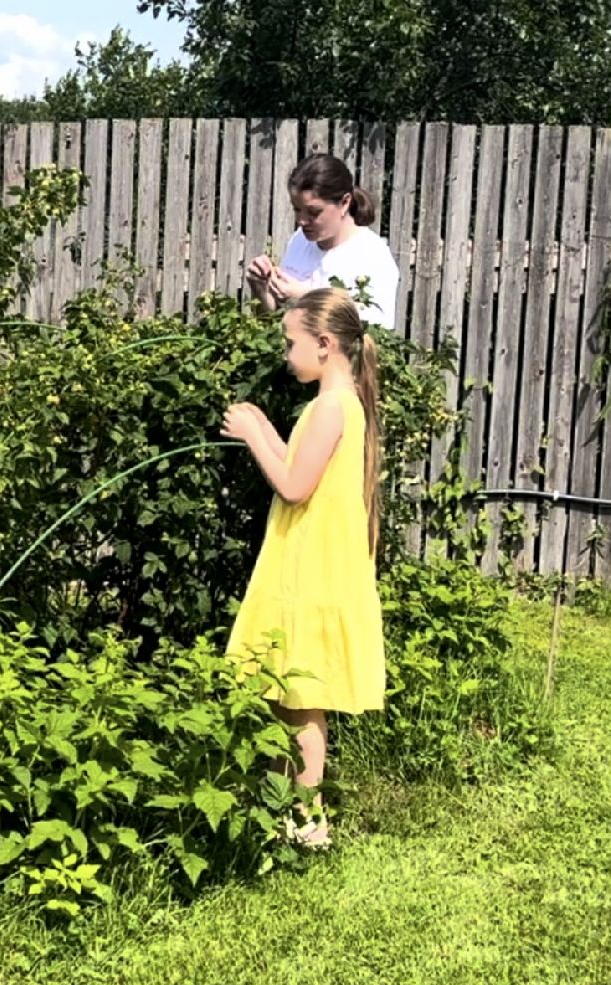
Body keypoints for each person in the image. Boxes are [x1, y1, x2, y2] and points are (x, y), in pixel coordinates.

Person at [221, 287, 387, 849]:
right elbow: (298, 465)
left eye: (291, 343)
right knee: (285, 694)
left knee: (299, 701)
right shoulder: (341, 405)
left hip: (311, 570)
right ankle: (280, 810)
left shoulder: (331, 407)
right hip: (312, 564)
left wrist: (251, 438)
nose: (286, 353)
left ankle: (305, 820)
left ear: (324, 344)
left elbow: (293, 486)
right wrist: (264, 427)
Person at [245, 154, 400, 330]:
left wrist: (305, 298)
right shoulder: (299, 241)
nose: (301, 220)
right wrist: (262, 290)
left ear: (344, 203)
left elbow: (377, 333)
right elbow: (273, 322)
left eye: (314, 212)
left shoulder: (372, 255)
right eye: (297, 209)